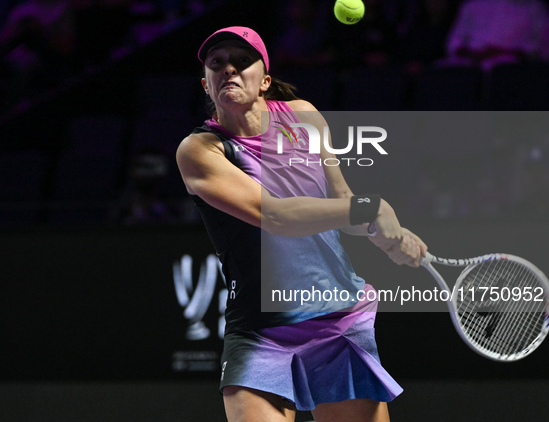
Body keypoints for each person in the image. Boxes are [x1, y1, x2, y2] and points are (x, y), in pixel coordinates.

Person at [176, 26, 427, 422]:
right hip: (261, 330)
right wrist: (371, 208)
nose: (229, 70)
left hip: (338, 317)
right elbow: (276, 215)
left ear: (266, 82)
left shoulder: (304, 117)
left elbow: (342, 203)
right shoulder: (201, 150)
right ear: (205, 84)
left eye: (243, 62)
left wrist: (383, 232)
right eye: (217, 64)